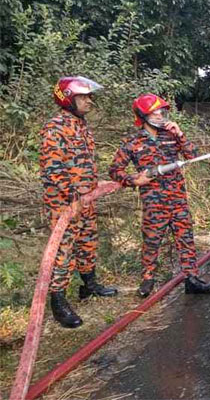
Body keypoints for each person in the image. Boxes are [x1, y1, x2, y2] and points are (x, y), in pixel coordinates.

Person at [109, 94, 210, 298]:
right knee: (151, 241)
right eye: (155, 112)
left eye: (161, 111)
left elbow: (194, 156)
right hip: (153, 202)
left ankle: (191, 278)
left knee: (185, 239)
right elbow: (114, 170)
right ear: (143, 115)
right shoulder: (133, 142)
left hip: (177, 199)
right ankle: (148, 280)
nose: (160, 115)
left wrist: (180, 134)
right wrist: (134, 180)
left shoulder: (171, 136)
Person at [40, 76, 117, 328]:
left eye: (89, 97)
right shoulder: (56, 127)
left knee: (87, 242)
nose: (89, 101)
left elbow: (83, 165)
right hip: (65, 203)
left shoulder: (81, 126)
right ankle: (58, 302)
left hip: (85, 199)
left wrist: (93, 187)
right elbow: (53, 171)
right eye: (84, 97)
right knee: (63, 251)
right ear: (68, 99)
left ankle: (89, 285)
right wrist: (72, 199)